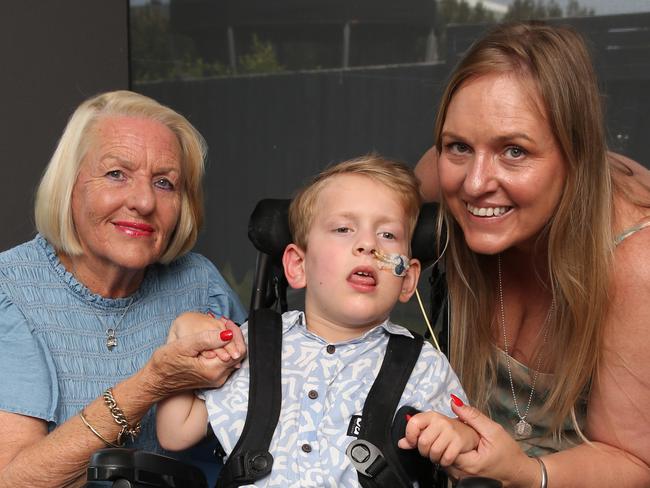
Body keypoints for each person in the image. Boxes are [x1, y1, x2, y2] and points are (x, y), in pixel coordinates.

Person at [413, 22, 650, 487]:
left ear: (576, 157)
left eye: (514, 151)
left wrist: (526, 473)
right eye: (459, 145)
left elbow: (635, 464)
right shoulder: (446, 177)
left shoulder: (634, 262)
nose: (476, 183)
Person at [156, 155, 478, 486]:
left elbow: (471, 454)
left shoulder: (421, 366)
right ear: (298, 265)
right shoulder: (257, 345)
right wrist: (181, 335)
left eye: (387, 235)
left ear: (407, 279)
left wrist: (457, 436)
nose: (367, 245)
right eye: (343, 229)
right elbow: (175, 432)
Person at [0, 90, 248, 487]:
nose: (144, 201)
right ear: (70, 184)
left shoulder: (200, 285)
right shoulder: (11, 292)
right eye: (117, 174)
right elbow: (14, 481)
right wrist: (152, 383)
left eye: (165, 183)